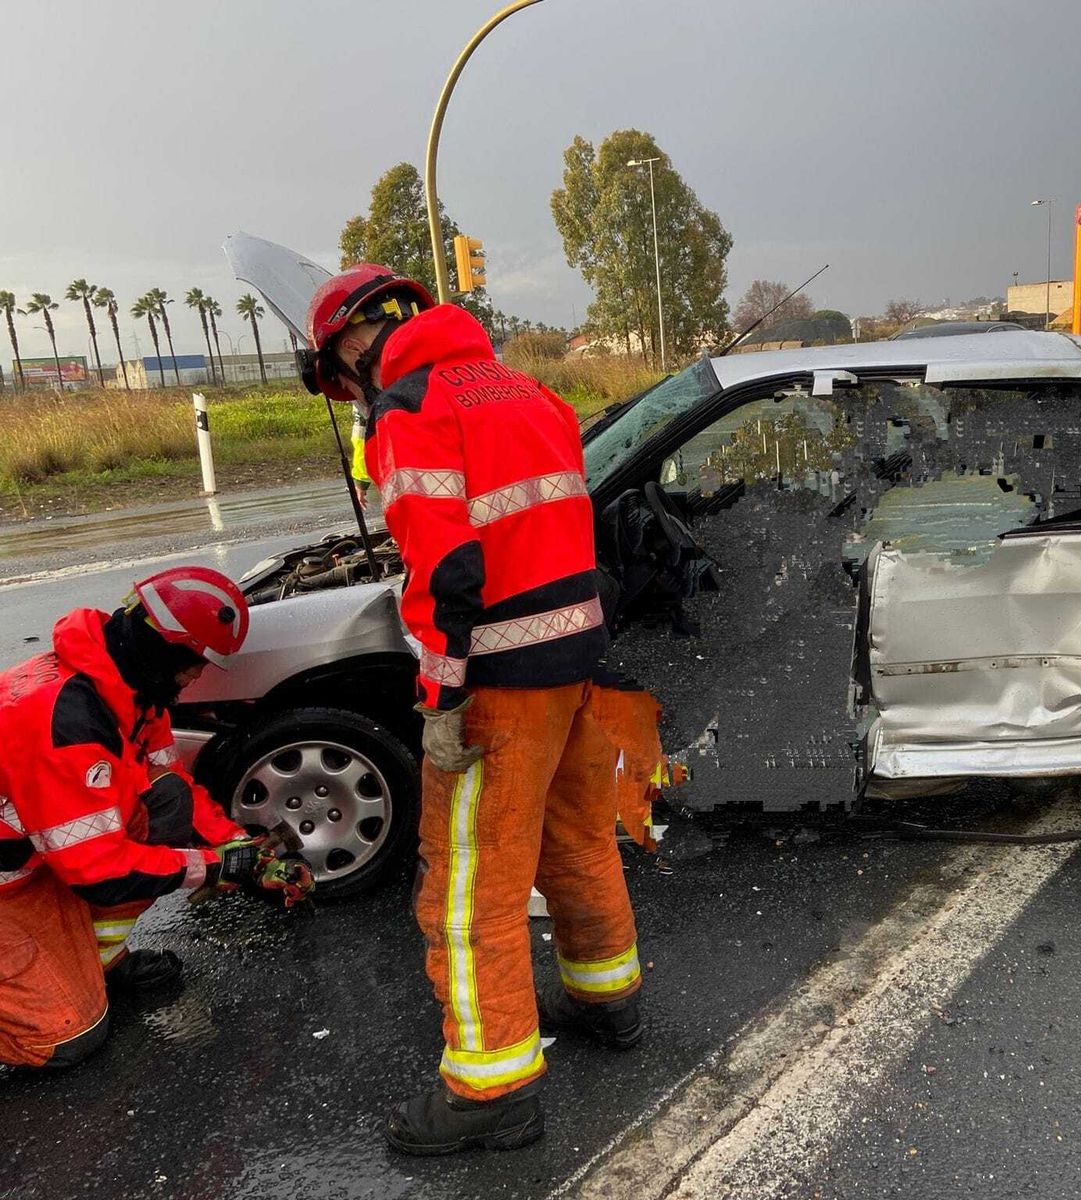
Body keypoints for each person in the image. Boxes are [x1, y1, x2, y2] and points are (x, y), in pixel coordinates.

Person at [302, 265, 662, 1155]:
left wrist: (440, 695)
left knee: (467, 889)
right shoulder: (529, 391)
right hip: (576, 662)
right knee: (575, 837)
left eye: (339, 381)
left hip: (498, 679)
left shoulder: (411, 406)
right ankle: (607, 1001)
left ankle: (489, 1090)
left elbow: (446, 571)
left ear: (352, 342)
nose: (350, 397)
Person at [0, 567, 314, 1070]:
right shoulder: (66, 723)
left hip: (45, 859)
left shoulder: (132, 695)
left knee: (166, 802)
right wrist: (215, 868)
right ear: (159, 647)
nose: (196, 677)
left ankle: (101, 958)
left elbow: (174, 788)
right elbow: (100, 873)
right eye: (192, 663)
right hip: (14, 882)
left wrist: (238, 848)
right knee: (67, 1038)